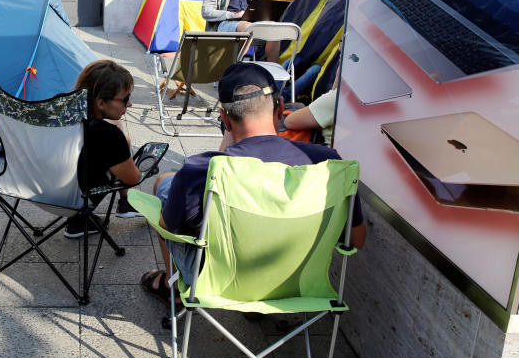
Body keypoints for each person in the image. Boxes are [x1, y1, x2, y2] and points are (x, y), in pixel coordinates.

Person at [139, 62, 366, 306]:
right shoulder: (328, 164)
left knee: (165, 183)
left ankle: (170, 286)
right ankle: (257, 308)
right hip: (296, 283)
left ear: (225, 119)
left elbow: (168, 225)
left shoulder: (200, 170)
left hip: (220, 280)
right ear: (280, 108)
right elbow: (355, 240)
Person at [66, 60, 142, 238]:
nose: (129, 105)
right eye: (125, 99)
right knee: (120, 144)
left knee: (122, 141)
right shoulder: (107, 134)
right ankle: (123, 203)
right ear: (100, 103)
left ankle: (80, 220)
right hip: (72, 199)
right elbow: (133, 178)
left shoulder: (60, 115)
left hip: (35, 190)